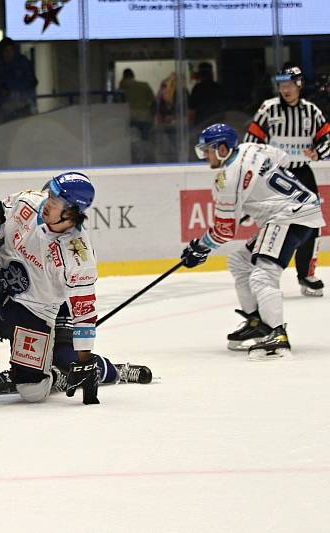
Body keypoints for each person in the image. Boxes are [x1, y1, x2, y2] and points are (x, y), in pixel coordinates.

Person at [0, 173, 105, 406]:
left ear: (71, 211)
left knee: (33, 392)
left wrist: (84, 360)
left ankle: (56, 375)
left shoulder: (79, 255)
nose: (47, 202)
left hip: (36, 311)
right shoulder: (26, 201)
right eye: (50, 194)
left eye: (55, 200)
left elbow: (84, 312)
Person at [183, 124, 325, 360]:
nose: (205, 156)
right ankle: (256, 321)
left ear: (222, 148)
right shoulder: (251, 148)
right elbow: (283, 159)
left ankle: (276, 333)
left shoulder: (227, 179)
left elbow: (224, 230)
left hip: (287, 216)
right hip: (302, 209)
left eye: (207, 150)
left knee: (263, 274)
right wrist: (260, 196)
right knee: (239, 261)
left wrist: (200, 248)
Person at [243, 65, 330, 296]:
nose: (285, 89)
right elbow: (251, 142)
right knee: (271, 225)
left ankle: (307, 275)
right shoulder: (268, 109)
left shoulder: (312, 111)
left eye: (289, 84)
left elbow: (327, 139)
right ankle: (260, 275)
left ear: (299, 84)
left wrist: (319, 152)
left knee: (312, 225)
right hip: (273, 175)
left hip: (302, 174)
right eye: (281, 85)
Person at [119, 68, 156, 163]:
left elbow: (118, 102)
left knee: (132, 142)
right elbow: (154, 102)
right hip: (145, 117)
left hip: (130, 117)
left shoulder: (123, 87)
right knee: (145, 140)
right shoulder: (144, 85)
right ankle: (148, 161)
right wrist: (153, 115)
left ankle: (135, 161)